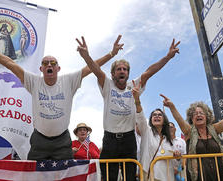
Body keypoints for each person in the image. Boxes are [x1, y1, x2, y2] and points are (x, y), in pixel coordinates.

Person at [0, 26, 123, 160]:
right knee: (34, 175)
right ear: (41, 69)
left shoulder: (69, 81)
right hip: (39, 141)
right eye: (45, 63)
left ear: (58, 69)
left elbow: (91, 67)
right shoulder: (33, 81)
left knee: (66, 175)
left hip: (62, 141)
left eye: (53, 63)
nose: (49, 64)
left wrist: (112, 53)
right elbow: (9, 62)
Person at [76, 35, 180, 181]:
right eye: (119, 69)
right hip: (110, 139)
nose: (122, 71)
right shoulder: (107, 84)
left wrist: (168, 57)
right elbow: (95, 69)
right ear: (113, 74)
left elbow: (150, 71)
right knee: (109, 177)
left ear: (128, 73)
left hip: (128, 138)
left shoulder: (134, 85)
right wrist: (86, 56)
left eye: (125, 69)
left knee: (130, 176)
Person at [160, 94, 223, 181]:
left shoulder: (215, 129)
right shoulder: (189, 132)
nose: (198, 115)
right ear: (191, 118)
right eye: (195, 114)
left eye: (201, 113)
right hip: (198, 176)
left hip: (219, 174)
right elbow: (179, 119)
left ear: (206, 116)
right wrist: (171, 106)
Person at [132, 81, 179, 181]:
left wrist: (177, 157)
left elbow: (175, 163)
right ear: (151, 119)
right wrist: (137, 99)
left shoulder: (169, 140)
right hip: (149, 176)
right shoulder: (146, 131)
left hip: (167, 177)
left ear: (164, 119)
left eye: (159, 115)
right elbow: (140, 115)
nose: (157, 116)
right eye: (154, 115)